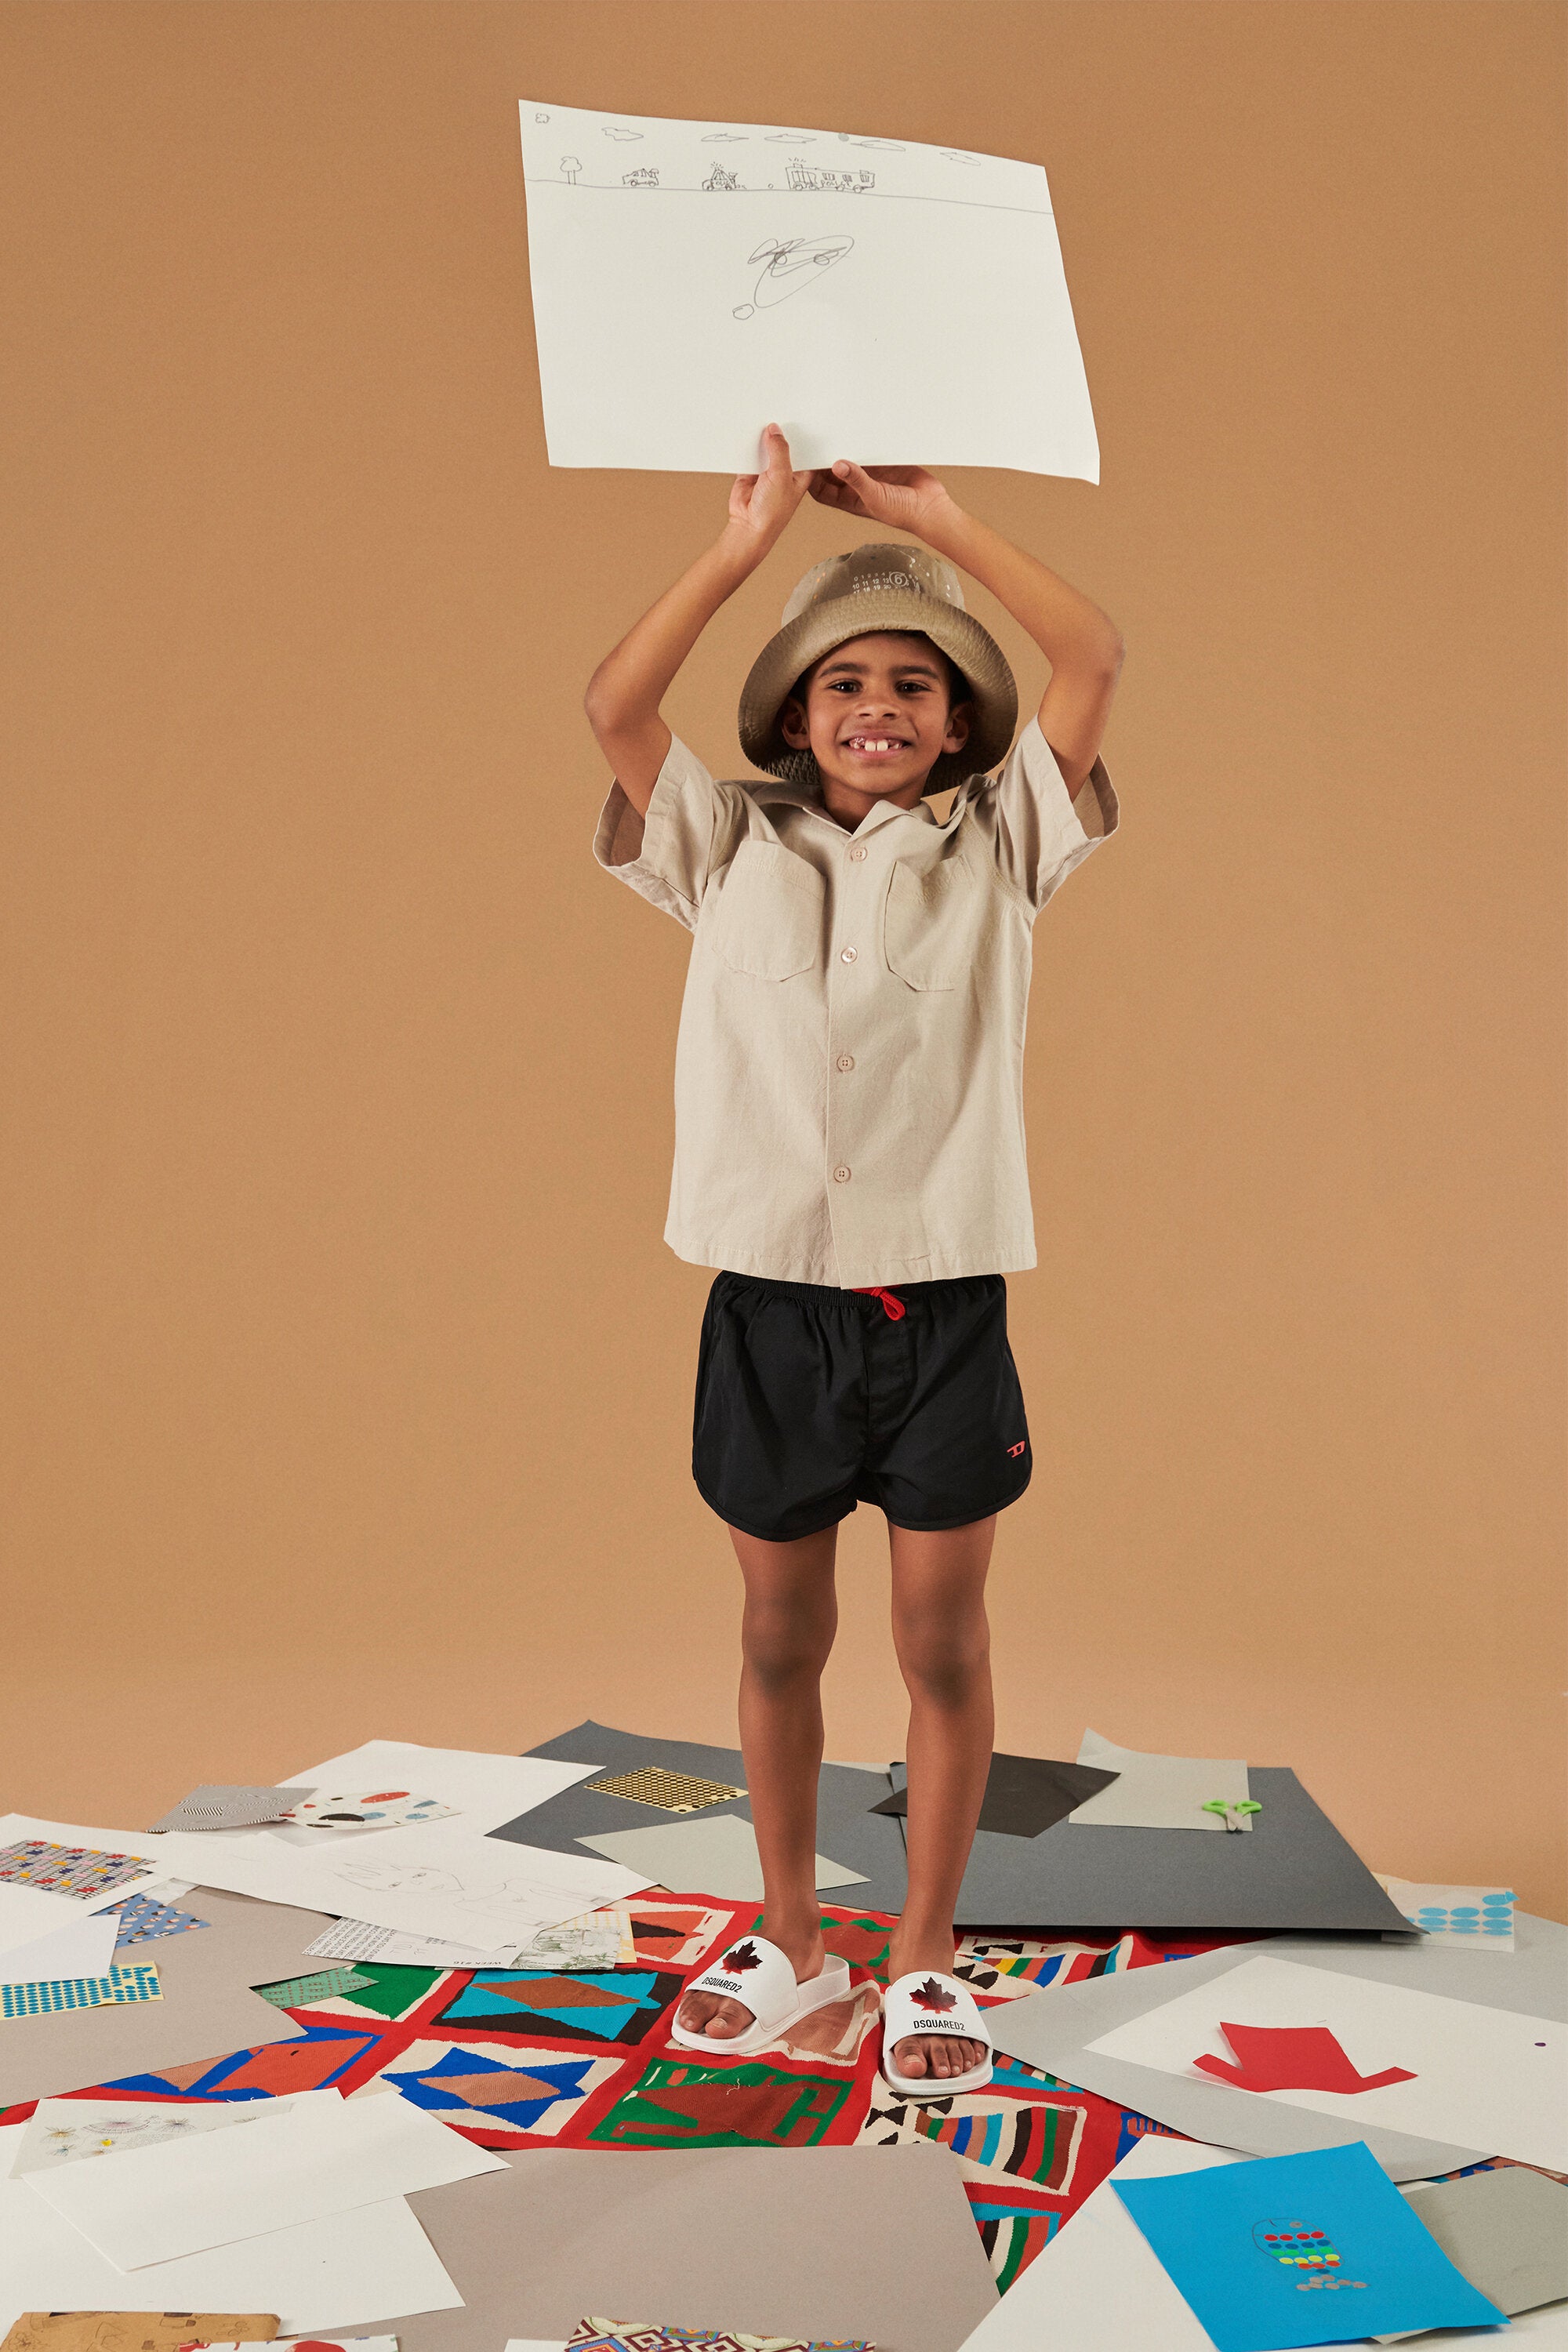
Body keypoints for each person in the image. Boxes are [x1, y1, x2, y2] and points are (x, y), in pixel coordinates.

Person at [584, 424, 1123, 2096]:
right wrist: (741, 550)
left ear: (958, 722)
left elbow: (1091, 654)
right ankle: (793, 1929)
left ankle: (924, 1951)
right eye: (839, 685)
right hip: (764, 1306)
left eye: (911, 683)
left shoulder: (1001, 851)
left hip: (944, 1299)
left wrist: (938, 523)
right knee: (772, 1637)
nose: (876, 705)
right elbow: (613, 709)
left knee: (943, 1641)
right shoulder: (722, 849)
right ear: (795, 715)